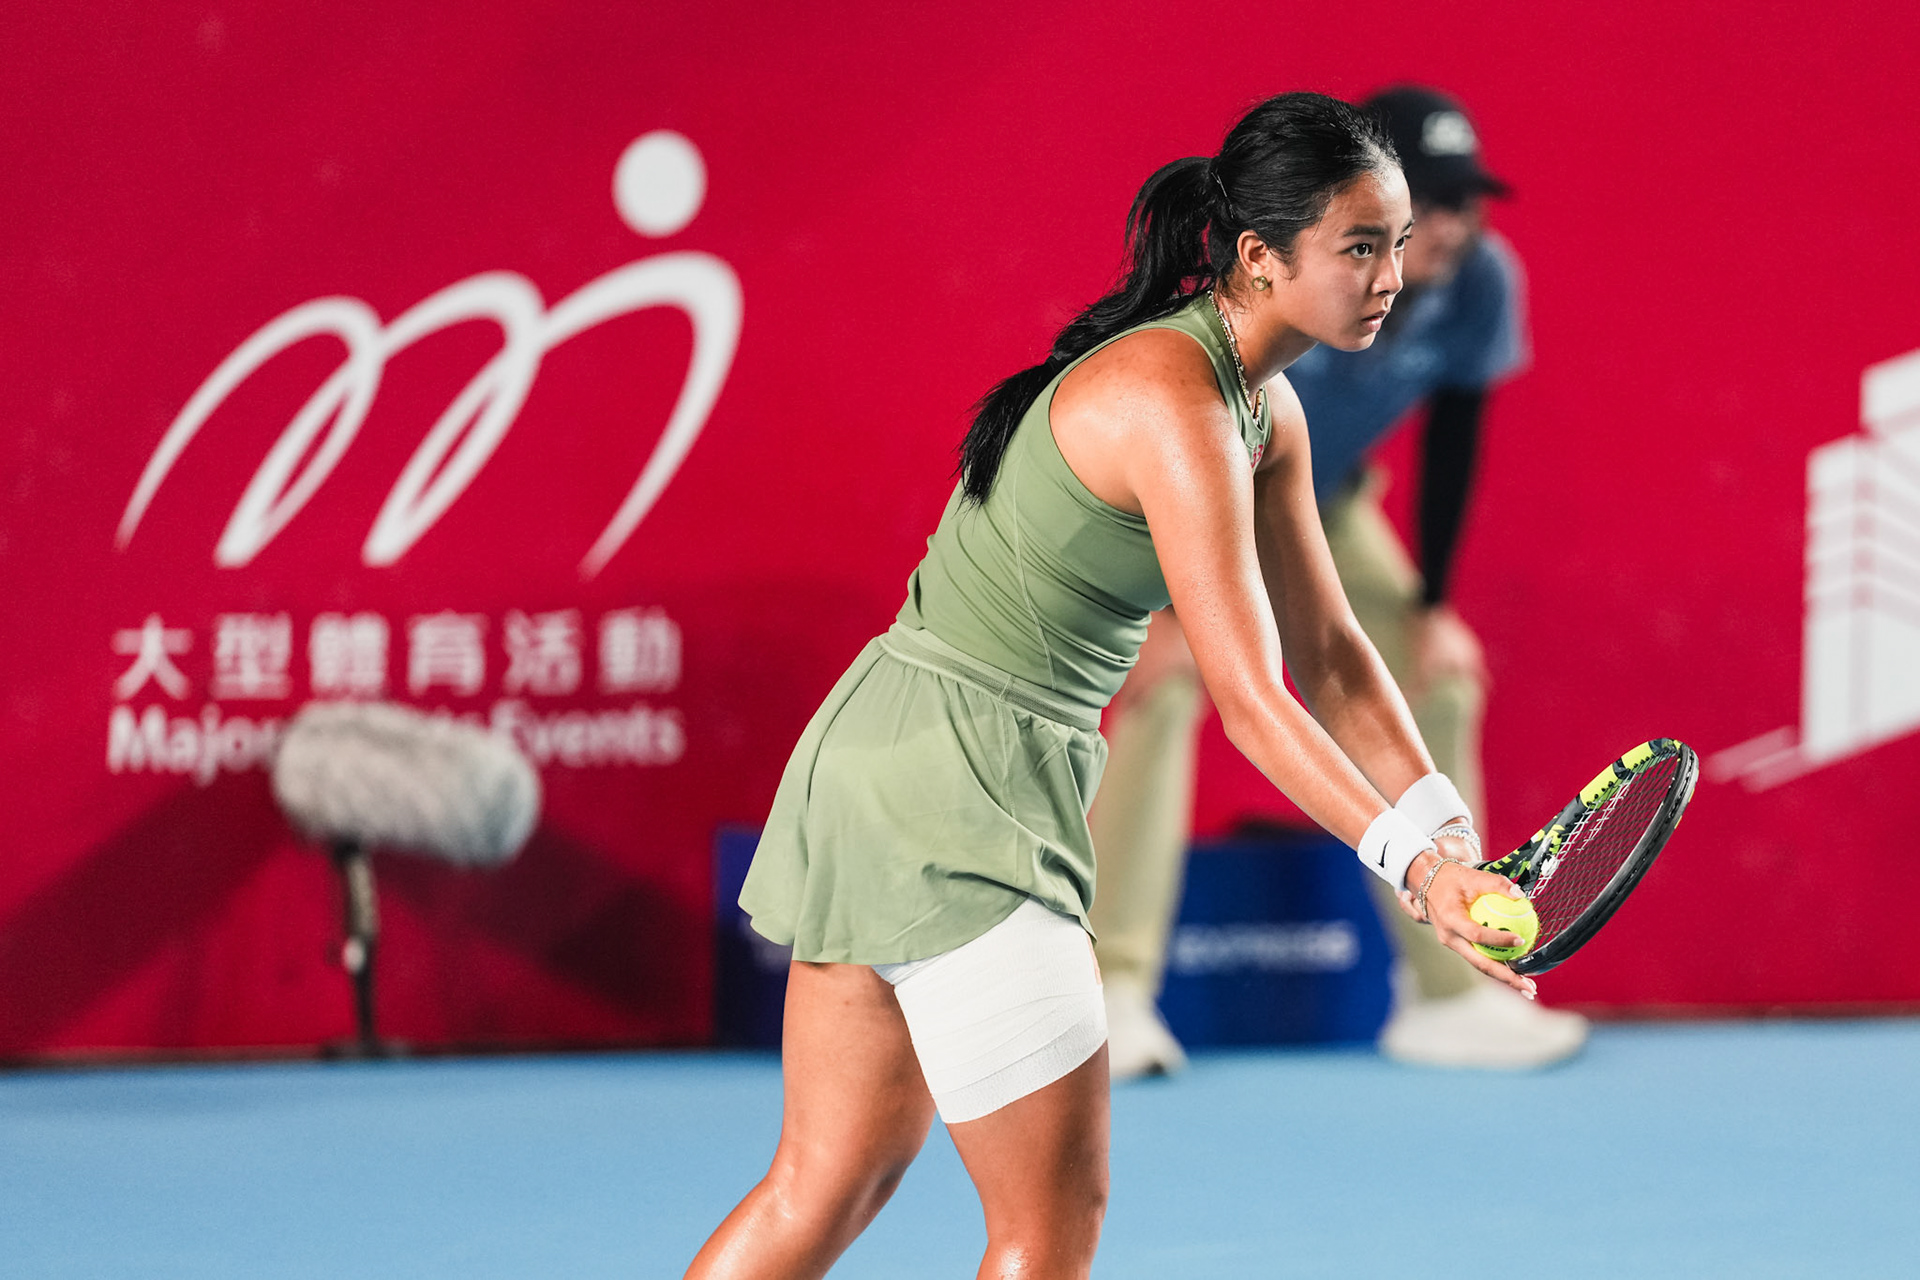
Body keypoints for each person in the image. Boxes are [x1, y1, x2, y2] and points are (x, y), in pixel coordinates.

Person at [689, 91, 1536, 1280]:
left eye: (1397, 243)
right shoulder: (1175, 402)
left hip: (873, 761)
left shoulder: (1265, 408)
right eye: (1359, 246)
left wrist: (1448, 833)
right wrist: (1414, 870)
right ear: (1259, 255)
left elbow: (1337, 655)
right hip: (957, 793)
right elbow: (1253, 697)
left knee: (826, 1180)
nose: (1392, 274)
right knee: (1044, 1232)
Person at [1091, 85, 1588, 1079]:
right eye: (1425, 202)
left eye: (1464, 202)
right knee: (1168, 682)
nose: (1450, 226)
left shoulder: (1480, 277)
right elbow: (1162, 431)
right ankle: (1108, 994)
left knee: (1437, 672)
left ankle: (1448, 996)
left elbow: (1456, 436)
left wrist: (1433, 604)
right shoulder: (1282, 279)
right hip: (1188, 497)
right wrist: (1156, 607)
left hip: (1332, 503)